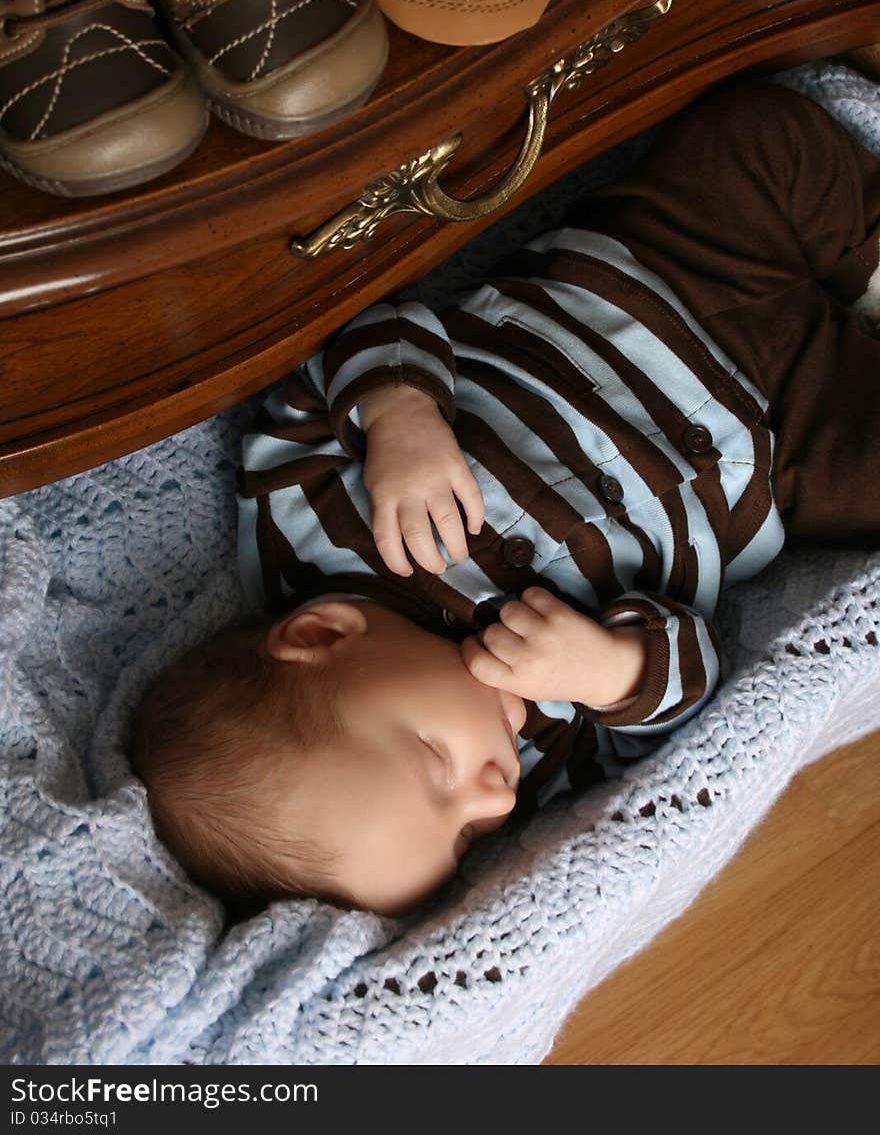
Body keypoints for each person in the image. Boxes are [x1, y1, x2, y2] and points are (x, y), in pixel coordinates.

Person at [131, 78, 880, 916]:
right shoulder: (547, 745)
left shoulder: (306, 518)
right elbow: (696, 668)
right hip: (778, 464)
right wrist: (615, 671)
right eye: (466, 838)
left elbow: (350, 334)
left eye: (432, 764)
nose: (491, 798)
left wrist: (400, 414)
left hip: (653, 279)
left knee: (751, 132)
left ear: (321, 635)